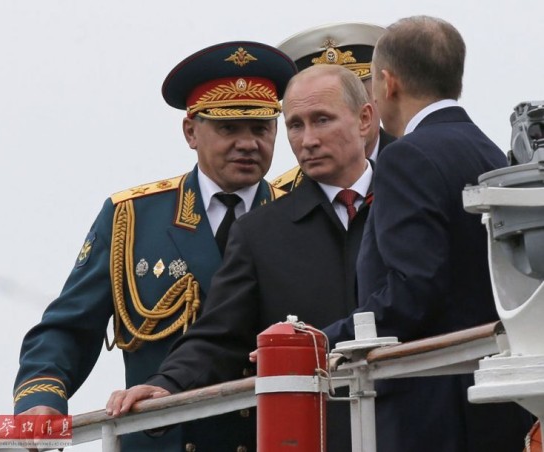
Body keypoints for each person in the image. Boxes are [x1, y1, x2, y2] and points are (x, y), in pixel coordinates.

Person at [12, 41, 297, 451]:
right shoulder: (132, 218)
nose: (248, 143)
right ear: (190, 132)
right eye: (228, 128)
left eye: (260, 128)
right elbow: (69, 328)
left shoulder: (298, 215)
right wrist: (41, 400)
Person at [107, 63, 374, 452]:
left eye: (322, 120)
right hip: (313, 435)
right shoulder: (261, 231)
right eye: (295, 125)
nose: (308, 140)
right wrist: (167, 384)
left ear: (365, 119)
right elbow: (220, 333)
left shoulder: (410, 202)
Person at [324, 15, 533, 451]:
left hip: (430, 412)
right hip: (493, 405)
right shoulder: (489, 151)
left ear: (388, 83)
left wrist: (324, 339)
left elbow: (413, 289)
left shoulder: (405, 157)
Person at [272, 22, 395, 192]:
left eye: (357, 97)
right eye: (297, 125)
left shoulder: (419, 170)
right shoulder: (283, 193)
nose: (309, 140)